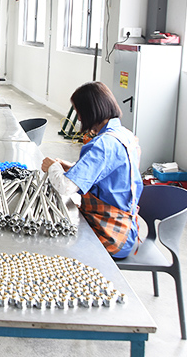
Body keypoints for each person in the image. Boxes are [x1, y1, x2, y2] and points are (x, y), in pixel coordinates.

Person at [40, 82, 143, 258]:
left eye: (79, 112)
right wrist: (72, 167)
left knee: (46, 241)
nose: (79, 119)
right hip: (127, 229)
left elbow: (65, 188)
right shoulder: (124, 135)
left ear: (91, 111)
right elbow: (108, 173)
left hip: (110, 234)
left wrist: (53, 168)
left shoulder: (104, 144)